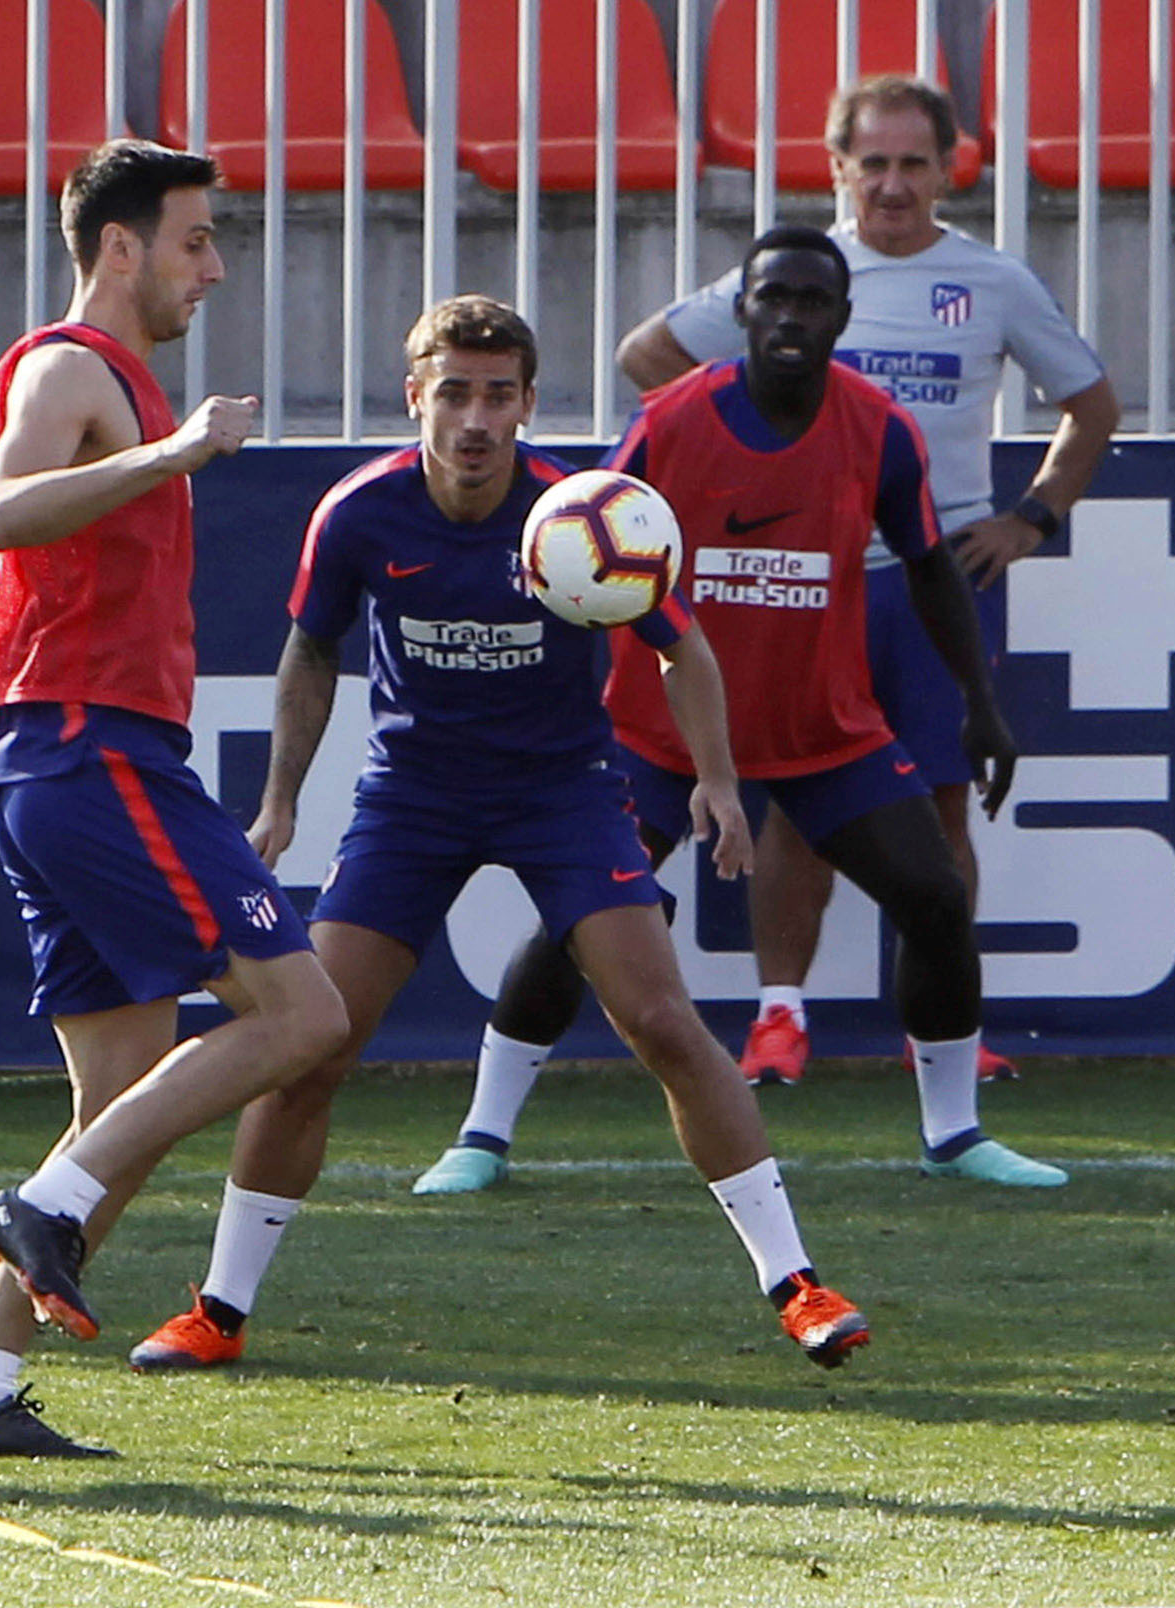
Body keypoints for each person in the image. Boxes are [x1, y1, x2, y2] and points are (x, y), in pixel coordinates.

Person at [123, 295, 870, 1376]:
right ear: (415, 395)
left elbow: (684, 648)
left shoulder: (582, 515)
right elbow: (311, 652)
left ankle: (797, 1285)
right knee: (311, 1041)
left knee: (662, 1020)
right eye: (455, 393)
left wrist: (714, 777)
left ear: (528, 404)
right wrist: (282, 796)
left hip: (561, 791)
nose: (476, 419)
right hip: (413, 798)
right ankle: (218, 1311)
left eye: (499, 396)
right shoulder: (361, 514)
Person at [433, 78, 1115, 1148]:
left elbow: (932, 561)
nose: (791, 317)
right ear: (737, 312)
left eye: (812, 303)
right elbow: (594, 549)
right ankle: (483, 1134)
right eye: (773, 300)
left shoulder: (885, 420)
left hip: (820, 705)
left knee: (933, 891)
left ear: (841, 319)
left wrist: (986, 688)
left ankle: (956, 1133)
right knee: (582, 912)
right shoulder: (670, 423)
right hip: (667, 719)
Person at [0, 139, 349, 1459]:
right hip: (92, 757)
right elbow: (3, 511)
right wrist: (172, 454)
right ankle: (36, 1204)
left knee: (122, 1116)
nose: (212, 269)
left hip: (68, 764)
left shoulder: (119, 383)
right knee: (304, 1013)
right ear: (119, 247)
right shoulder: (71, 367)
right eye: (194, 241)